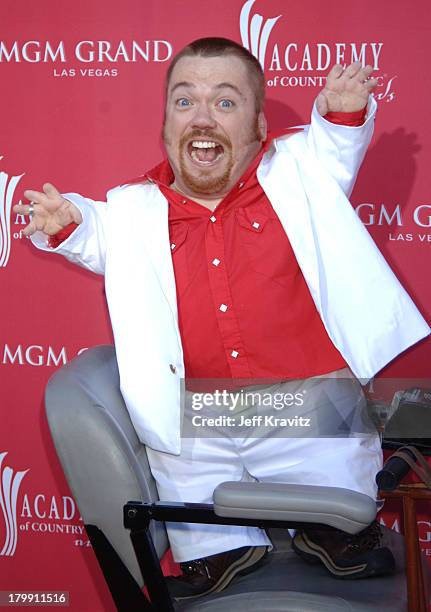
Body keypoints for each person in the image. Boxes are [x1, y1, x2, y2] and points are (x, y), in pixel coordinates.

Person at [15, 38, 429, 599]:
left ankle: (333, 534)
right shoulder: (137, 208)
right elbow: (94, 228)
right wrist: (66, 220)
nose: (202, 116)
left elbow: (333, 148)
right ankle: (218, 550)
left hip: (303, 401)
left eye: (225, 102)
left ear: (260, 125)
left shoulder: (297, 174)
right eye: (184, 102)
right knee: (185, 475)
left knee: (334, 483)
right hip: (197, 413)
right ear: (165, 123)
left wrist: (340, 112)